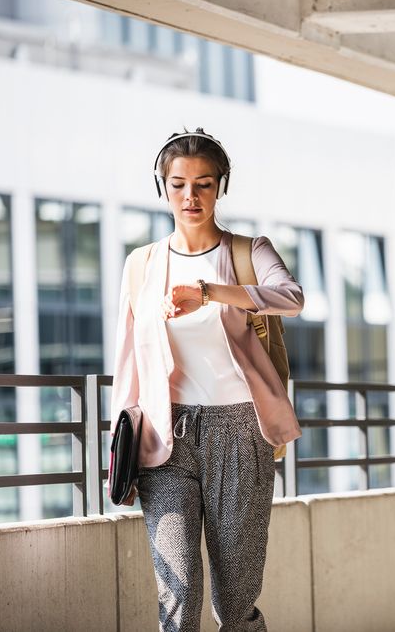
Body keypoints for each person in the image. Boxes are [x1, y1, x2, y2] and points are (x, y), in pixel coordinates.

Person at [106, 128, 304, 631]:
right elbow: (127, 361)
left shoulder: (246, 251)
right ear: (163, 187)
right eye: (177, 185)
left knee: (234, 603)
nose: (189, 197)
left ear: (220, 187)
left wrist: (210, 292)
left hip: (240, 432)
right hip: (164, 439)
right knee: (178, 594)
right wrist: (118, 446)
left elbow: (291, 297)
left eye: (203, 184)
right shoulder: (142, 265)